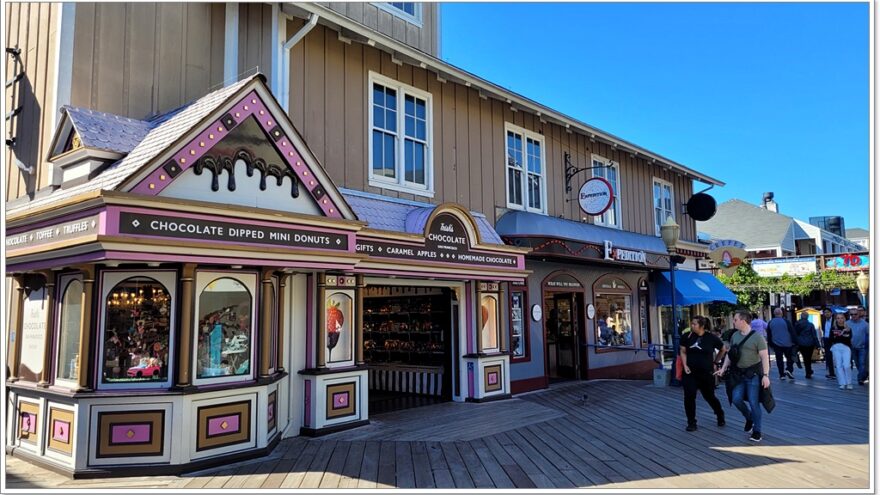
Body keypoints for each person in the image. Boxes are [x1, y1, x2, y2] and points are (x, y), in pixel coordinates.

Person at [716, 310, 771, 443]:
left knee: (754, 402)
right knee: (736, 399)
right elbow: (731, 354)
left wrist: (765, 375)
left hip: (753, 375)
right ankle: (749, 418)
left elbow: (765, 357)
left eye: (735, 319)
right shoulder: (735, 336)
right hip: (738, 374)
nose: (733, 322)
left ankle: (757, 431)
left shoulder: (758, 337)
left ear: (743, 321)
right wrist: (723, 368)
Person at [679, 316, 726, 431]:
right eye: (692, 324)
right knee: (689, 396)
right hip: (690, 372)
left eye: (694, 324)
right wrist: (685, 365)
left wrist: (716, 362)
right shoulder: (687, 336)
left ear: (702, 326)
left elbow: (723, 349)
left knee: (709, 396)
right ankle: (691, 422)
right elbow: (683, 351)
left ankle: (719, 413)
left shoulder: (711, 338)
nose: (692, 326)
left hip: (706, 373)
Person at [767, 308, 797, 380]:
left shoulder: (770, 322)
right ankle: (789, 370)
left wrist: (771, 344)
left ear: (774, 314)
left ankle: (781, 375)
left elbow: (769, 334)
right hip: (788, 343)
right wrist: (795, 342)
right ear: (782, 313)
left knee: (779, 360)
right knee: (790, 358)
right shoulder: (786, 321)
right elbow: (792, 332)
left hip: (776, 344)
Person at [829, 313, 854, 390]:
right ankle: (842, 383)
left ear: (844, 319)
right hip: (836, 347)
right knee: (838, 365)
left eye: (841, 318)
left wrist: (842, 334)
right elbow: (831, 339)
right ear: (836, 319)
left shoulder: (848, 328)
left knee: (847, 365)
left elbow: (849, 338)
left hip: (846, 347)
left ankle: (849, 382)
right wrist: (837, 336)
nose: (840, 319)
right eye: (838, 318)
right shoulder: (833, 328)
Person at [846, 307, 869, 385]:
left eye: (855, 314)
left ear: (859, 314)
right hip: (852, 347)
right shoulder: (847, 323)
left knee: (862, 363)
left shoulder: (865, 324)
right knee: (858, 364)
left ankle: (860, 378)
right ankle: (864, 374)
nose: (853, 316)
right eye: (851, 314)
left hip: (862, 347)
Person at [794, 312, 820, 379]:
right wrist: (818, 345)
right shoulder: (810, 325)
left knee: (805, 358)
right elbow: (814, 335)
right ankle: (808, 372)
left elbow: (794, 334)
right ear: (807, 317)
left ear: (801, 317)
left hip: (800, 343)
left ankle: (808, 371)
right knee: (808, 358)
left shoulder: (797, 324)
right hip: (809, 344)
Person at [821, 308, 836, 379]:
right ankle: (831, 373)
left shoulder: (835, 320)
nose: (826, 314)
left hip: (834, 340)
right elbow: (824, 330)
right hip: (826, 339)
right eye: (825, 312)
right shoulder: (823, 320)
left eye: (828, 312)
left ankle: (840, 372)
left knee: (837, 357)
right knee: (828, 357)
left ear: (831, 313)